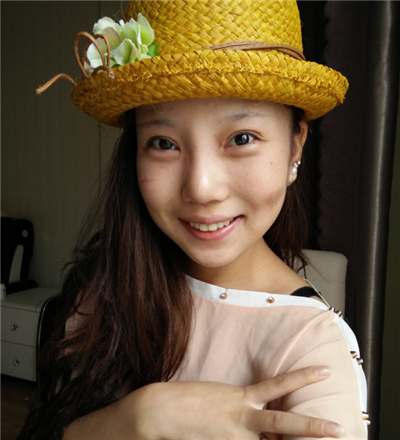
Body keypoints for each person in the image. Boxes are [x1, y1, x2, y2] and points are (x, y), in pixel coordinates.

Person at [21, 1, 368, 439]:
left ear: (295, 146)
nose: (201, 188)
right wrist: (138, 418)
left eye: (242, 138)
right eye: (164, 143)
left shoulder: (314, 354)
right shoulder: (103, 282)